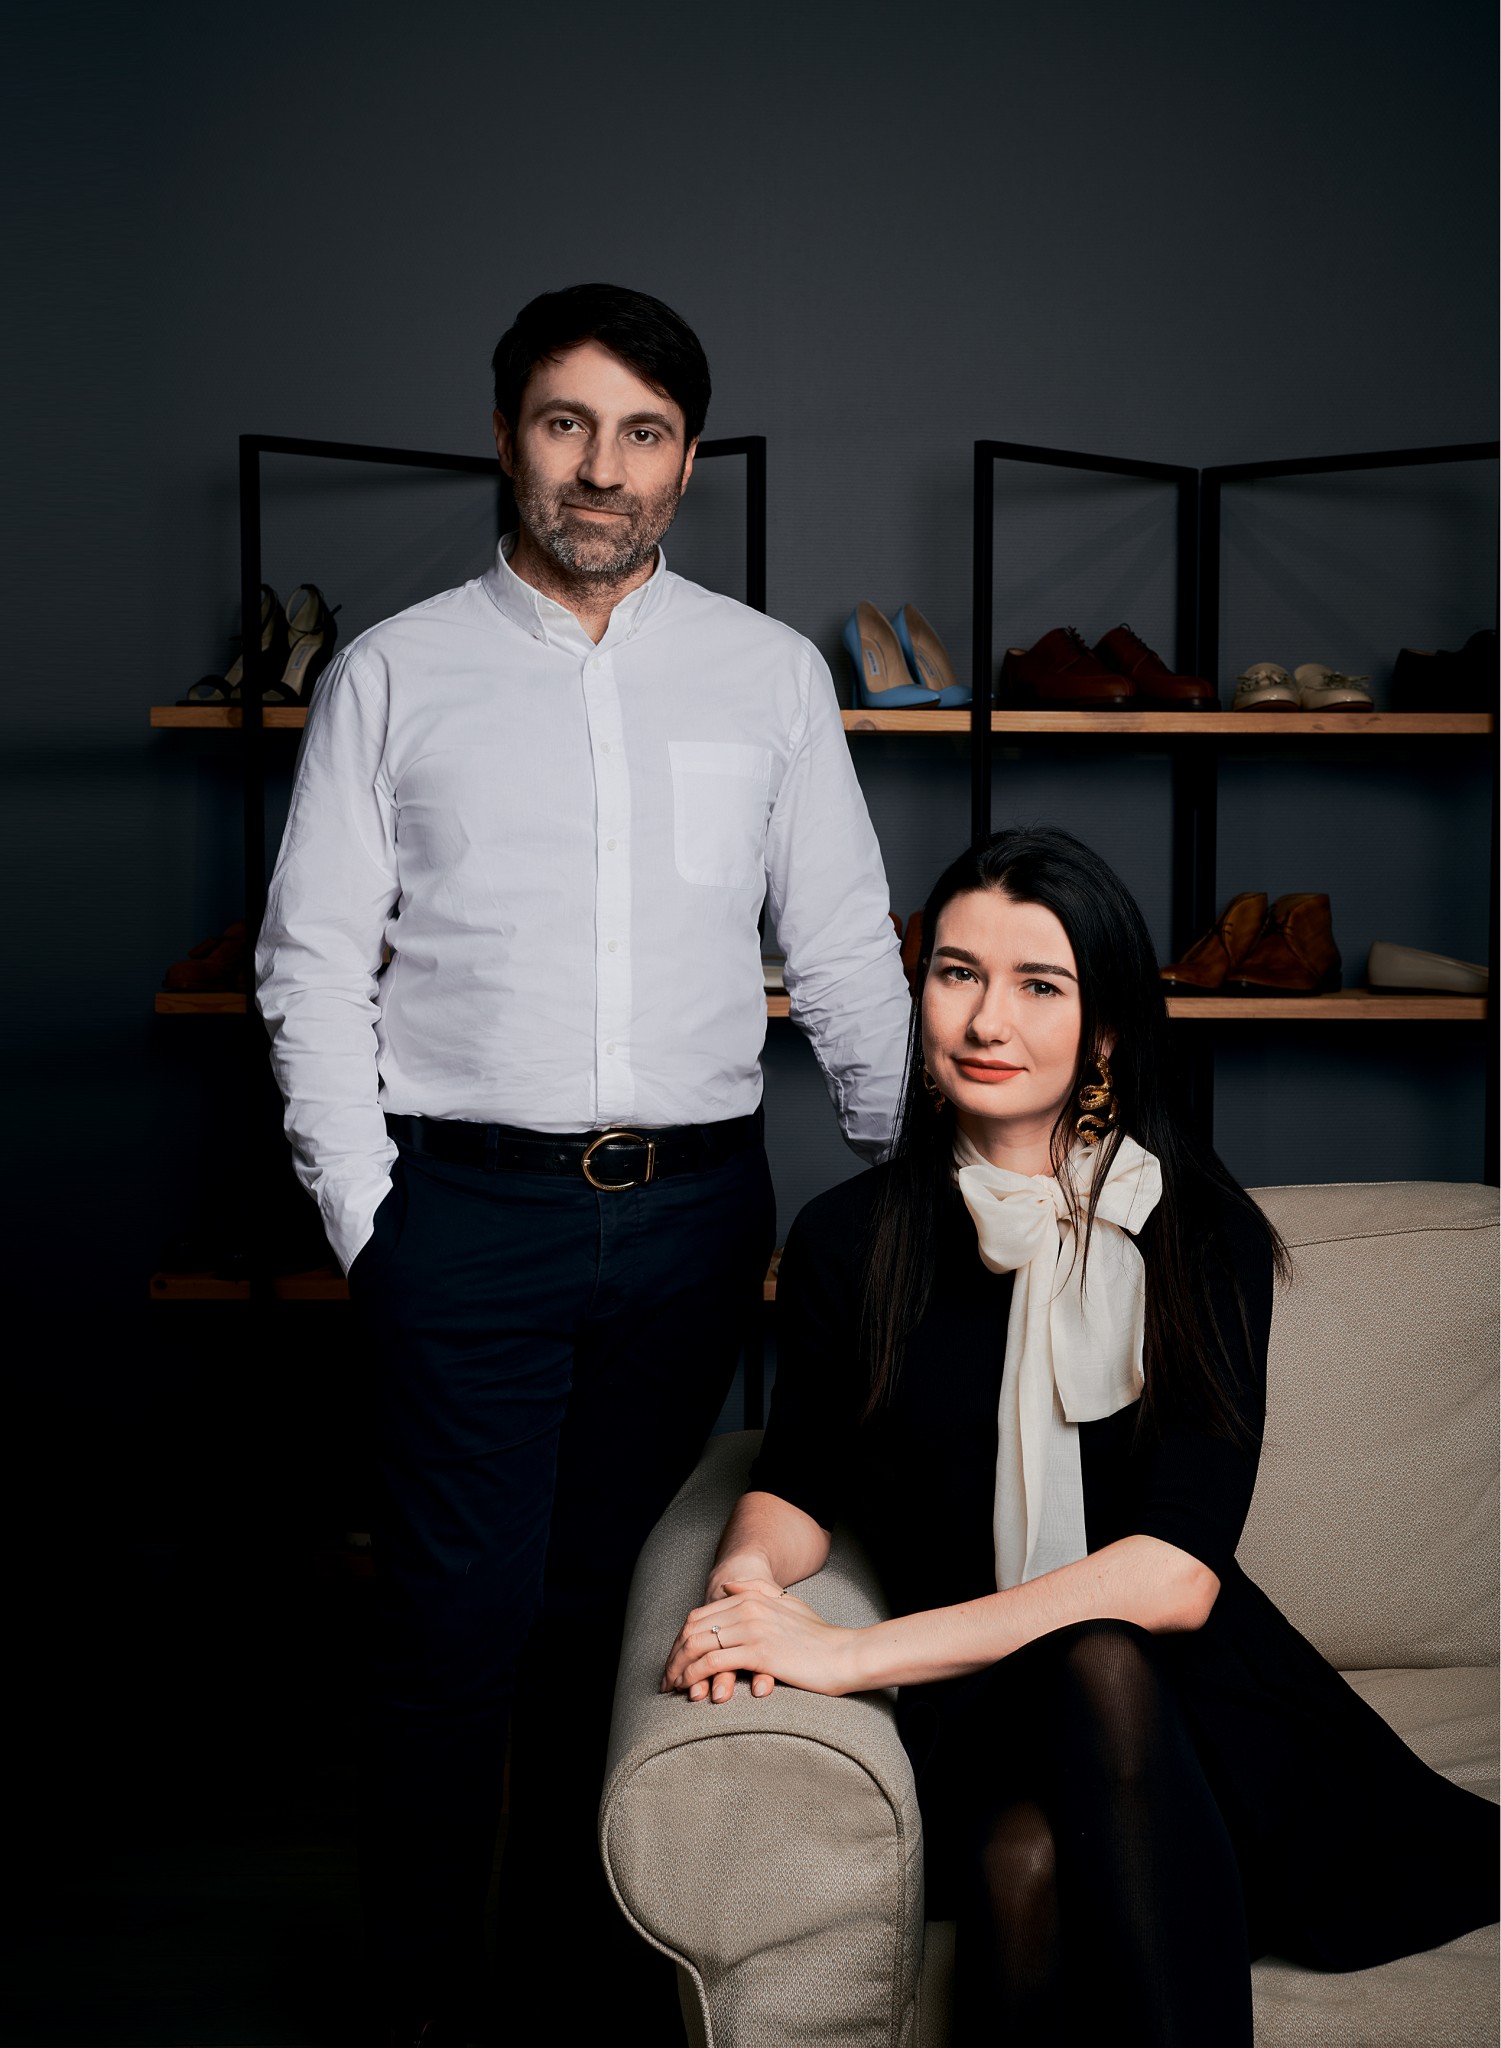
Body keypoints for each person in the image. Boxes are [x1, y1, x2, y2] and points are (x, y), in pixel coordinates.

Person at [255, 282, 912, 2045]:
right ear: (506, 438)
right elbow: (309, 964)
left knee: (612, 1616)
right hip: (459, 1213)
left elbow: (844, 948)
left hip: (695, 1219)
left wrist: (910, 1179)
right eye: (567, 424)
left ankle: (573, 1984)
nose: (601, 469)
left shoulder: (769, 676)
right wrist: (371, 1221)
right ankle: (420, 2000)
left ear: (687, 461)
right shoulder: (392, 674)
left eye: (642, 434)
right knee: (449, 1627)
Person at [663, 824, 1498, 2046]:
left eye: (1037, 984)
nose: (985, 1019)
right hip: (969, 1696)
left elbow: (1174, 1573)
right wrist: (745, 1577)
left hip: (1186, 1698)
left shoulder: (1197, 1232)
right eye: (957, 972)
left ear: (1103, 1026)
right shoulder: (852, 1236)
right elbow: (798, 1474)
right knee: (1019, 1851)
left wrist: (852, 1652)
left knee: (1082, 1716)